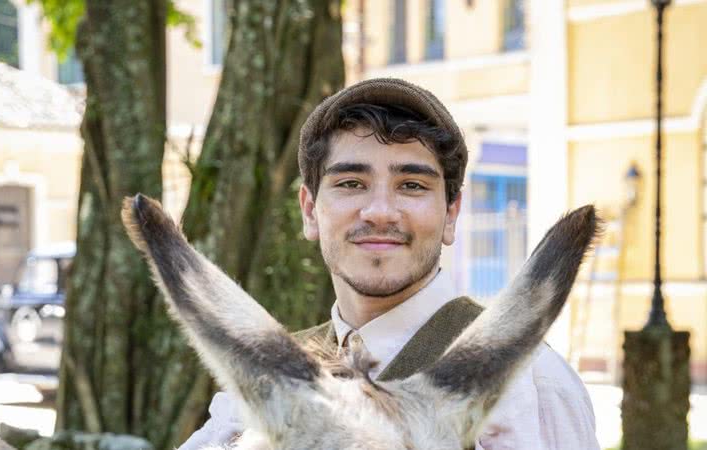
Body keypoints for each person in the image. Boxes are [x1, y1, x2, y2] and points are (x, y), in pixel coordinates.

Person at [179, 78, 599, 450]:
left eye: (412, 185)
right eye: (351, 183)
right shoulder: (254, 395)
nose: (380, 211)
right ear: (310, 211)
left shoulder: (530, 386)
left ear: (451, 213)